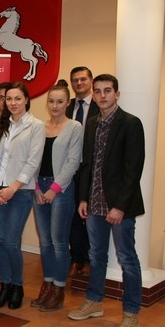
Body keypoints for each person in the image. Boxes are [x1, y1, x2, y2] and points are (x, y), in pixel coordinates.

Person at [68, 74, 145, 327]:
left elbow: (133, 169)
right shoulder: (92, 124)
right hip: (94, 203)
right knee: (96, 255)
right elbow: (87, 165)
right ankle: (94, 302)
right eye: (98, 91)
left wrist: (120, 206)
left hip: (119, 206)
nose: (102, 95)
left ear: (117, 94)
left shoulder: (131, 124)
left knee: (127, 258)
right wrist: (83, 198)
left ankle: (131, 314)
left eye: (107, 90)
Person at [0, 81, 45, 310]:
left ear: (26, 100)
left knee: (11, 241)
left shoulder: (36, 126)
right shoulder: (1, 125)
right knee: (1, 240)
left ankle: (17, 286)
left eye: (17, 98)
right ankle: (6, 285)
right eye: (8, 99)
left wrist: (13, 188)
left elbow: (32, 162)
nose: (12, 103)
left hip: (20, 192)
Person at [31, 81, 83, 312]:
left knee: (58, 241)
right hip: (39, 187)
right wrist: (36, 187)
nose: (55, 105)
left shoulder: (74, 127)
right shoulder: (40, 127)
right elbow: (32, 159)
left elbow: (73, 162)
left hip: (61, 189)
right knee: (45, 241)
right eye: (51, 101)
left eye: (60, 101)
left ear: (68, 103)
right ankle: (48, 285)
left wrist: (54, 188)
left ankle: (59, 290)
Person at [64, 66, 100, 278]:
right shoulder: (67, 106)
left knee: (90, 216)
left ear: (91, 81)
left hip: (92, 170)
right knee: (72, 216)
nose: (79, 83)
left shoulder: (99, 105)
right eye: (75, 80)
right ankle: (77, 258)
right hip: (69, 169)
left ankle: (89, 259)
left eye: (83, 79)